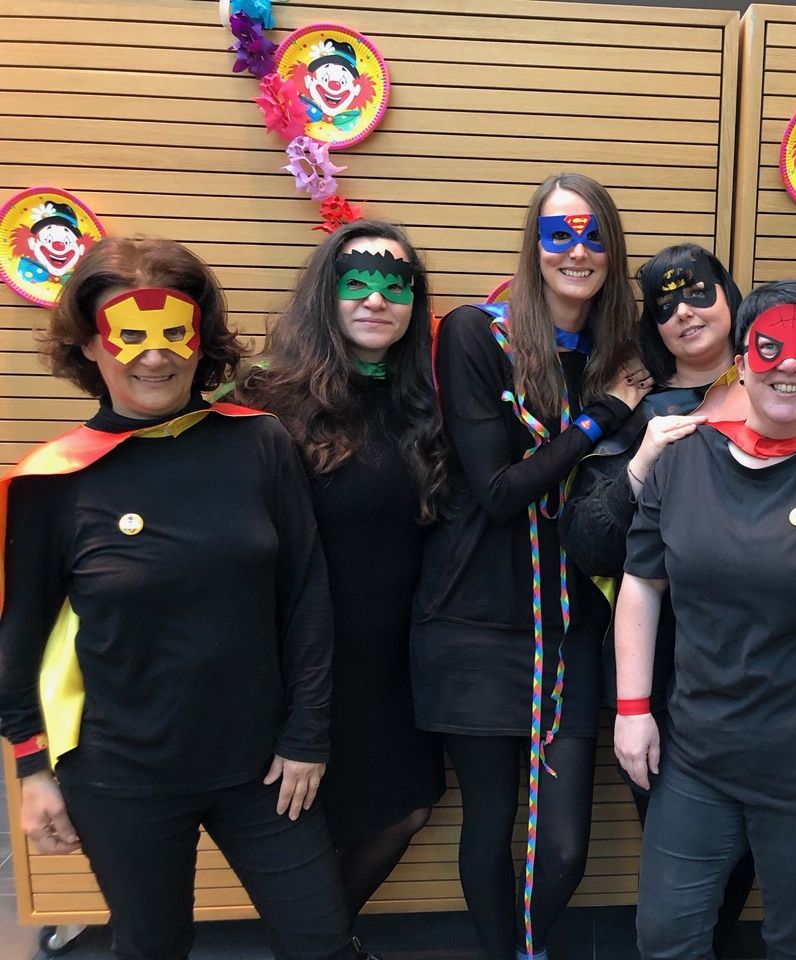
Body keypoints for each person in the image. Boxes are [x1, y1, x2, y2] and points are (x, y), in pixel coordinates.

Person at [0, 237, 358, 960]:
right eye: (128, 336)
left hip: (263, 766)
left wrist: (307, 736)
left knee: (322, 940)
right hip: (121, 775)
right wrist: (31, 767)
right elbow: (19, 634)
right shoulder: (53, 481)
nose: (156, 357)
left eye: (174, 333)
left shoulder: (260, 445)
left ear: (202, 339)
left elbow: (306, 596)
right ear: (88, 345)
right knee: (152, 945)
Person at [559, 246, 796, 958]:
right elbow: (615, 562)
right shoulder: (656, 431)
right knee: (671, 928)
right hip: (689, 729)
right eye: (666, 302)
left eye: (699, 293)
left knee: (792, 934)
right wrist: (632, 707)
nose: (788, 364)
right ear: (747, 353)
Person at [410, 172, 649, 960]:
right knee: (489, 824)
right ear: (534, 245)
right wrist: (601, 417)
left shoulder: (622, 355)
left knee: (567, 844)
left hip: (572, 625)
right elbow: (500, 491)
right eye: (559, 235)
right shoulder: (478, 336)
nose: (577, 252)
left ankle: (530, 946)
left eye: (593, 236)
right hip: (476, 617)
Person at [230, 220, 449, 940]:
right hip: (303, 664)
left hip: (394, 665)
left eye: (396, 286)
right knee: (299, 825)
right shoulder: (268, 401)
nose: (376, 299)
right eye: (357, 281)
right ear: (326, 291)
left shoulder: (425, 403)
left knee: (406, 809)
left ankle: (323, 944)